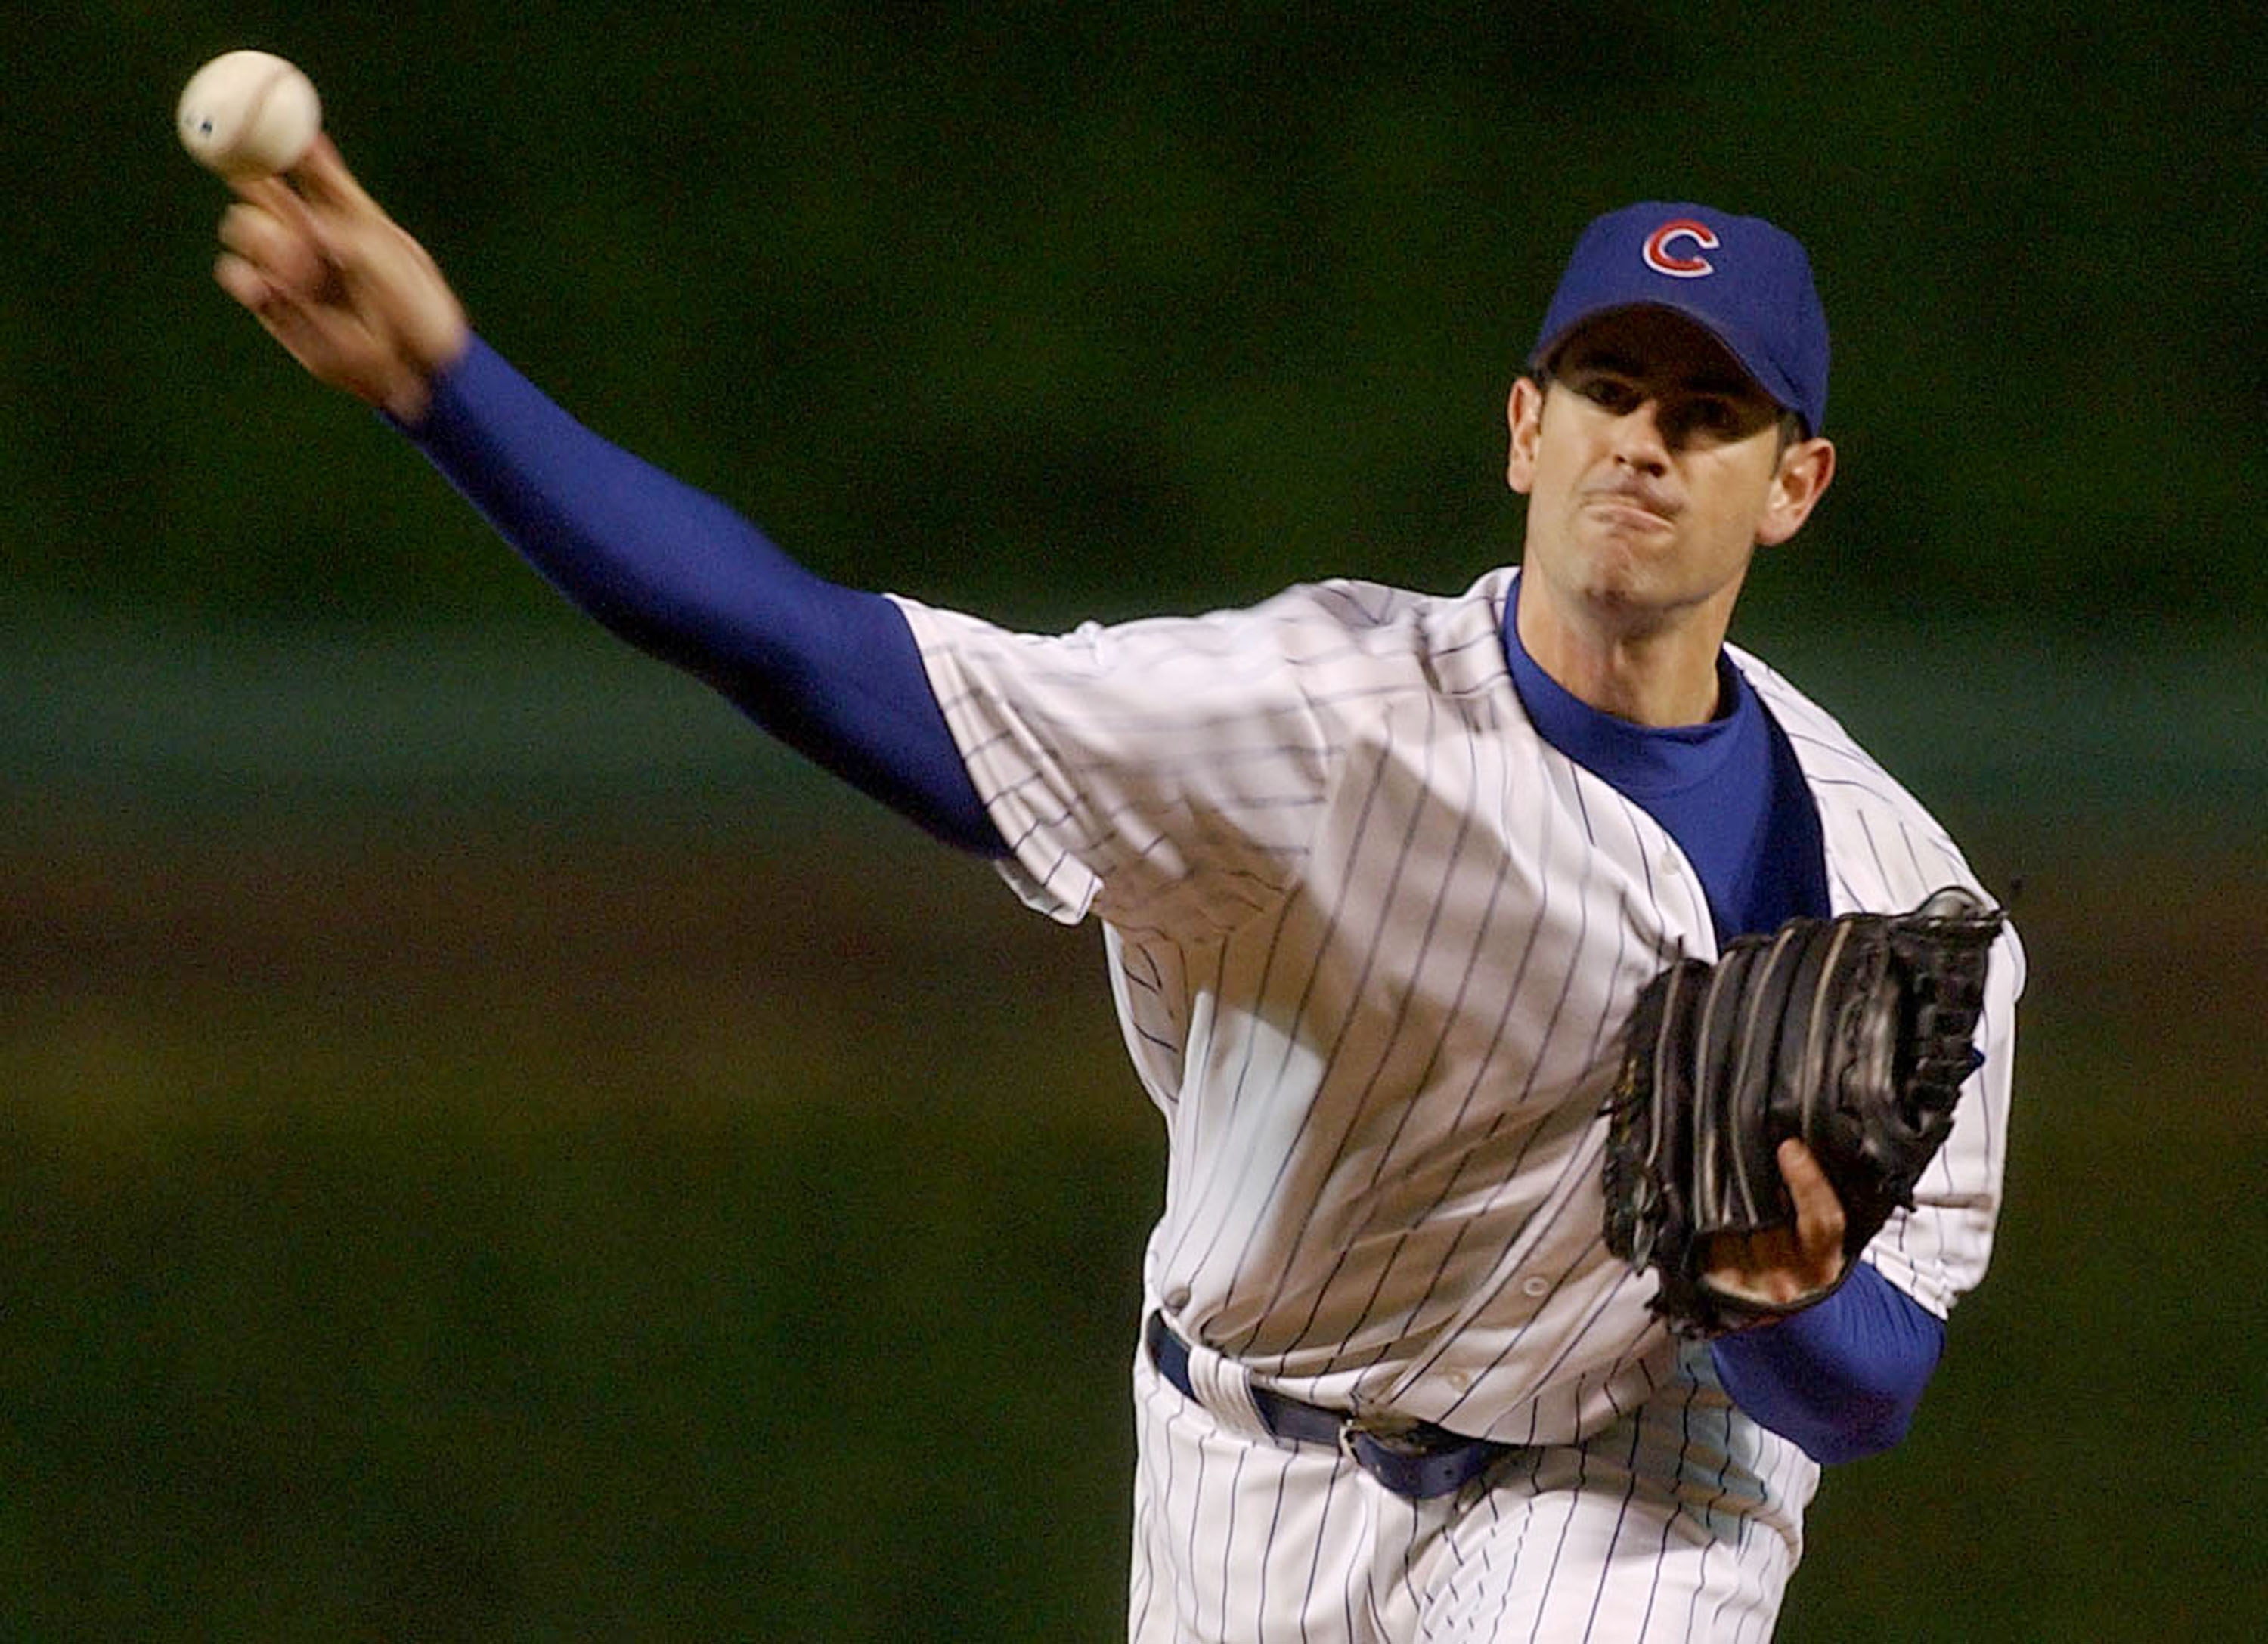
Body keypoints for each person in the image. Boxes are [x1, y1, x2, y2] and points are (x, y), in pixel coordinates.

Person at [212, 144, 2023, 1641]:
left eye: (1708, 412)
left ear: (1791, 484)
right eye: (1610, 388)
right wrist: (448, 389)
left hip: (1631, 1469)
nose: (1645, 438)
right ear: (1524, 430)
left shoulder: (1897, 892)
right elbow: (798, 646)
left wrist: (1785, 1297)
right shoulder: (1304, 723)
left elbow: (1871, 1391)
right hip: (1251, 1444)